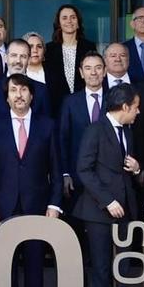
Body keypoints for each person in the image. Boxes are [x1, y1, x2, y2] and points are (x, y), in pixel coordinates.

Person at [0, 72, 64, 287]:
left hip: (38, 207)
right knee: (6, 267)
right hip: (3, 206)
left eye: (24, 90)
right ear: (6, 97)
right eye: (13, 91)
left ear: (31, 95)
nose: (19, 95)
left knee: (35, 265)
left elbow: (56, 169)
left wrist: (54, 205)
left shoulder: (47, 125)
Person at [70, 81, 144, 287]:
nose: (138, 112)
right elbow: (84, 170)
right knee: (102, 268)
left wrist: (136, 169)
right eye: (135, 107)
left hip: (125, 211)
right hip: (98, 211)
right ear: (124, 106)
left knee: (123, 267)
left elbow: (124, 172)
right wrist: (107, 201)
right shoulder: (95, 130)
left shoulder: (128, 132)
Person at [56, 50, 109, 207]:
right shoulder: (70, 102)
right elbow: (63, 139)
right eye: (88, 68)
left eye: (98, 68)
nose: (93, 73)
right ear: (81, 72)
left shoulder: (114, 99)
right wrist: (65, 173)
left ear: (105, 71)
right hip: (76, 177)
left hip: (107, 177)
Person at [45, 4, 88, 97]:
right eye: (64, 18)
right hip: (57, 103)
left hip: (83, 100)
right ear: (59, 23)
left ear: (78, 23)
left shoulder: (88, 47)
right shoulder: (48, 49)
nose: (69, 21)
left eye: (73, 17)